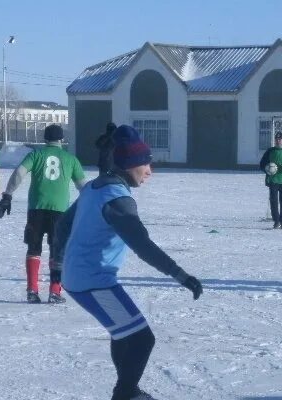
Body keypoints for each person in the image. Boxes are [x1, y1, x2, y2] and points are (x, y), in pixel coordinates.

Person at [53, 125, 203, 400]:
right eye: (145, 163)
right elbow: (143, 246)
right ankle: (124, 394)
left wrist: (58, 265)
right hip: (92, 282)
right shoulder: (118, 200)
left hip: (80, 279)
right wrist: (181, 275)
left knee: (123, 334)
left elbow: (63, 224)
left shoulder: (94, 187)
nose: (149, 171)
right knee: (143, 339)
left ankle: (127, 390)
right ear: (129, 164)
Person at [0, 124, 85, 304]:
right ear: (61, 140)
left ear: (45, 139)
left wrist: (7, 195)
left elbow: (19, 173)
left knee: (33, 248)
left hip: (36, 209)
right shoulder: (70, 159)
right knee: (57, 251)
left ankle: (32, 290)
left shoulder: (35, 155)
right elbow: (83, 186)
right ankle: (54, 291)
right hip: (60, 211)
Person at [258, 131, 282, 229]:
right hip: (273, 180)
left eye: (280, 139)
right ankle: (276, 221)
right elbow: (262, 164)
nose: (278, 140)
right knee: (273, 201)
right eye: (276, 139)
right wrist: (267, 169)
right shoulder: (270, 151)